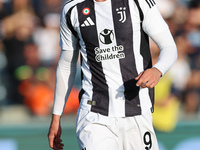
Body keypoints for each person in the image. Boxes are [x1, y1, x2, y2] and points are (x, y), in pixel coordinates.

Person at [48, 0, 177, 149]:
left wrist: (157, 70)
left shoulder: (138, 3)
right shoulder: (72, 9)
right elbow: (66, 64)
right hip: (94, 113)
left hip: (137, 110)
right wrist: (56, 116)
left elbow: (169, 46)